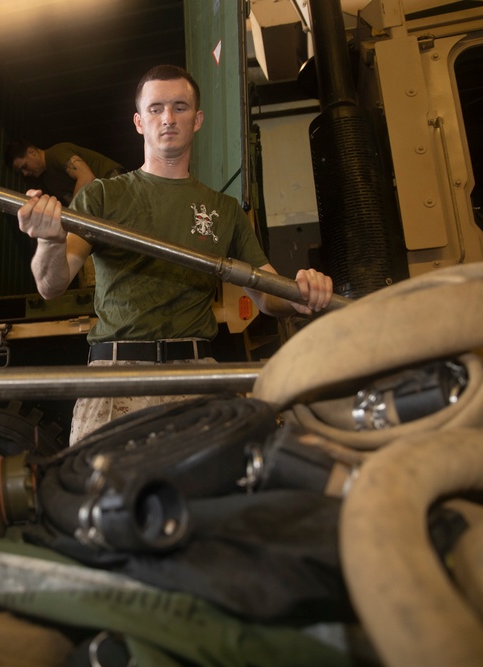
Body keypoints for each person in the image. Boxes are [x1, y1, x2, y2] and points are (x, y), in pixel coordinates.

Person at [17, 65, 334, 443]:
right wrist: (50, 241)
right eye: (155, 109)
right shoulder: (102, 196)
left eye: (180, 107)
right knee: (105, 500)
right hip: (116, 377)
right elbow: (51, 285)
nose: (168, 118)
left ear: (197, 119)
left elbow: (266, 294)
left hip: (195, 376)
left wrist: (299, 295)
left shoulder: (224, 209)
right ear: (139, 121)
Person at [6, 139, 126, 206]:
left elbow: (87, 177)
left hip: (112, 181)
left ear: (31, 152)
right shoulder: (49, 181)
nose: (25, 173)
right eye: (21, 171)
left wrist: (73, 213)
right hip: (101, 197)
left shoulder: (56, 153)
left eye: (24, 166)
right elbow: (72, 202)